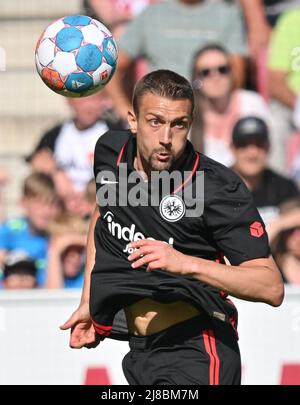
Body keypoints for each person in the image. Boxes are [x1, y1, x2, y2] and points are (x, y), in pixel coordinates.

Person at [61, 70, 284, 385]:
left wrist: (184, 263)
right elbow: (103, 213)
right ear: (133, 120)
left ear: (190, 125)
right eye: (155, 122)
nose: (166, 137)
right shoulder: (110, 152)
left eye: (178, 124)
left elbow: (271, 286)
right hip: (140, 354)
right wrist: (89, 300)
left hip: (196, 349)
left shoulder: (217, 187)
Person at [106, 0, 248, 121]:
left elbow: (237, 75)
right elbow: (112, 65)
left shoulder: (227, 14)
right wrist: (124, 109)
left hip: (210, 119)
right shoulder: (152, 14)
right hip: (160, 115)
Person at [189, 44, 270, 165]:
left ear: (232, 73)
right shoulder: (188, 116)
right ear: (196, 79)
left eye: (222, 69)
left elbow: (270, 152)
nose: (215, 77)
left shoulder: (252, 103)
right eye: (206, 72)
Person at [230, 116, 299, 224]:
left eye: (259, 145)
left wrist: (278, 225)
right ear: (232, 148)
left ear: (268, 147)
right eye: (243, 145)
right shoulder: (212, 185)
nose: (252, 153)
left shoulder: (285, 187)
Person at [0, 172, 60, 286]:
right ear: (24, 202)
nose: (46, 211)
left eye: (52, 204)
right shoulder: (9, 232)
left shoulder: (58, 237)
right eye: (39, 203)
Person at [267, 7, 300, 173]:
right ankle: (279, 191)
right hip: (292, 104)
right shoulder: (292, 21)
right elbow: (275, 82)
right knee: (274, 124)